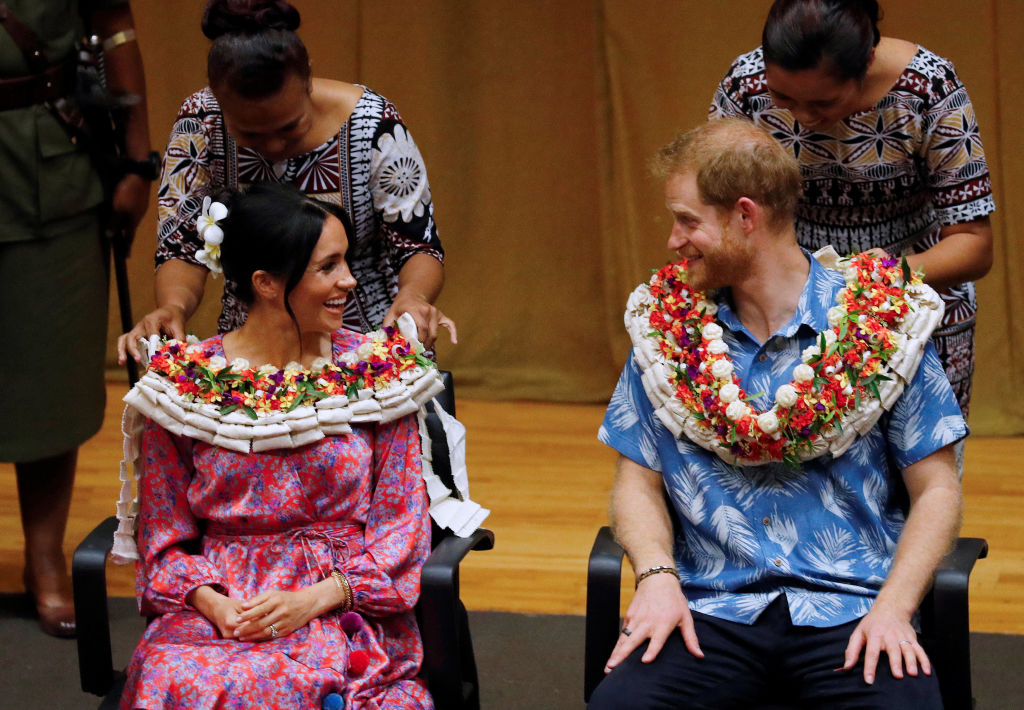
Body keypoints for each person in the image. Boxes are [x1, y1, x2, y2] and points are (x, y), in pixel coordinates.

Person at [588, 119, 965, 709]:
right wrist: (657, 577)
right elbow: (636, 480)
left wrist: (895, 608)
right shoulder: (666, 335)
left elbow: (937, 488)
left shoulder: (883, 324)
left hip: (853, 610)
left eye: (687, 220)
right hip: (708, 611)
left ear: (745, 217)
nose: (672, 240)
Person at [117, 182, 434, 709]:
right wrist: (216, 606)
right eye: (327, 266)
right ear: (266, 283)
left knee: (294, 684)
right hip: (221, 609)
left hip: (338, 602)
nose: (349, 281)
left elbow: (403, 526)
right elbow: (163, 535)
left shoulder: (379, 374)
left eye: (346, 261)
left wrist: (314, 599)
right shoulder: (186, 388)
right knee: (175, 677)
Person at [117, 0, 455, 365]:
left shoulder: (373, 125)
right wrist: (173, 306)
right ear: (217, 97)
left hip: (370, 348)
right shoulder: (200, 124)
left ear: (307, 77)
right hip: (250, 357)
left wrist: (414, 297)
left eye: (290, 127)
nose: (275, 147)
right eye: (249, 134)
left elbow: (418, 245)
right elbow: (182, 248)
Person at [709, 0, 994, 421]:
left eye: (824, 102)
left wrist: (888, 273)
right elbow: (719, 211)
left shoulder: (929, 88)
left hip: (911, 306)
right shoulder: (745, 86)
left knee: (922, 477)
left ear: (867, 63)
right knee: (797, 474)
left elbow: (974, 245)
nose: (804, 118)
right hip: (783, 311)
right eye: (783, 97)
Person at [0, 0, 151, 637]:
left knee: (51, 380)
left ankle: (44, 557)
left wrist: (140, 162)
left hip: (47, 175)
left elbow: (115, 27)